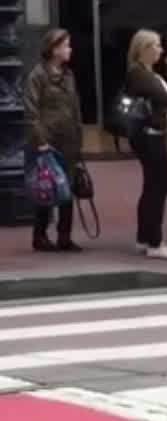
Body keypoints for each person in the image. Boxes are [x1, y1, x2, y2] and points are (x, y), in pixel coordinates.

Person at [125, 29, 167, 260]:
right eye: (157, 45)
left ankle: (144, 237)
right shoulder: (140, 73)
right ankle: (154, 242)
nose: (160, 50)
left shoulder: (146, 72)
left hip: (152, 133)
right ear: (144, 49)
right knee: (159, 187)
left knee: (152, 187)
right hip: (150, 135)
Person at [23, 28, 83, 253]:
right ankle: (39, 235)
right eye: (66, 45)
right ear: (54, 48)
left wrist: (79, 139)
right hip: (47, 141)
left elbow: (75, 108)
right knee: (47, 187)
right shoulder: (38, 75)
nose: (70, 49)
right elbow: (31, 111)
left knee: (68, 188)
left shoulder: (68, 75)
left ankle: (64, 236)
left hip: (68, 140)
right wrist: (40, 141)